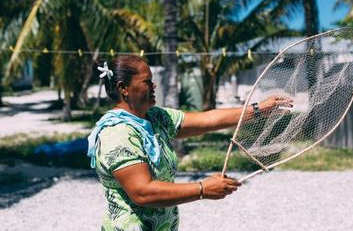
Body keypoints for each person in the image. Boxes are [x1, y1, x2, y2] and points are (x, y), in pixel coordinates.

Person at [87, 55, 293, 231]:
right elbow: (143, 192)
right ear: (124, 88)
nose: (153, 85)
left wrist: (258, 110)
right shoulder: (117, 133)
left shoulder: (155, 117)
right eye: (147, 81)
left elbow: (207, 120)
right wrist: (202, 188)